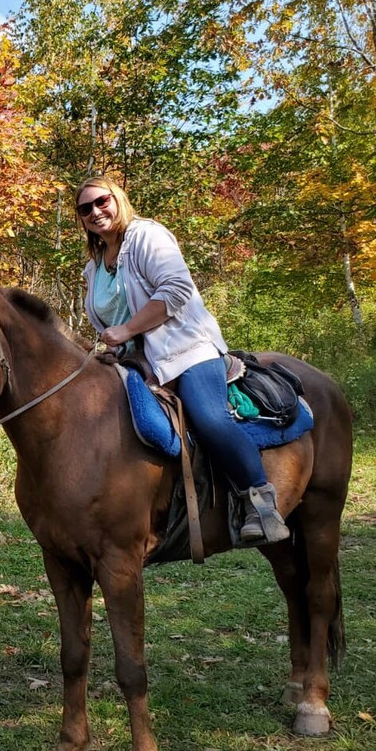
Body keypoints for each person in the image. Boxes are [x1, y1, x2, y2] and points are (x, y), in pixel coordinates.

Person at [77, 176, 289, 545]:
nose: (95, 211)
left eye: (101, 201)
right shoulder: (94, 268)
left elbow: (176, 289)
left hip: (185, 350)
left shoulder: (146, 236)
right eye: (85, 208)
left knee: (209, 418)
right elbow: (109, 321)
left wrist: (127, 330)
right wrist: (115, 346)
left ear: (118, 199)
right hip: (136, 363)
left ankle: (260, 502)